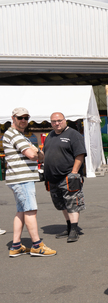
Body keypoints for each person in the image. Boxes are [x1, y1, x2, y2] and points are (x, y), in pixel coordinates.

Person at [4, 107, 56, 257]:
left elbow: (39, 156)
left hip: (19, 178)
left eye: (26, 118)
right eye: (20, 117)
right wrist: (37, 152)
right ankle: (37, 245)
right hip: (22, 179)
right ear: (13, 117)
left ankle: (16, 245)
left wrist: (37, 153)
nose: (23, 120)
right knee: (30, 210)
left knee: (22, 210)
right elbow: (34, 155)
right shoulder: (15, 135)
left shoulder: (17, 135)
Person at [42, 112, 87, 243]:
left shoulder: (73, 135)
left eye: (59, 120)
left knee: (73, 203)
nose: (57, 123)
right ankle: (68, 227)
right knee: (61, 204)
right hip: (53, 178)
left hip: (68, 176)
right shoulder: (50, 135)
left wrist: (74, 172)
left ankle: (74, 229)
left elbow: (80, 154)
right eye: (54, 121)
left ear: (65, 120)